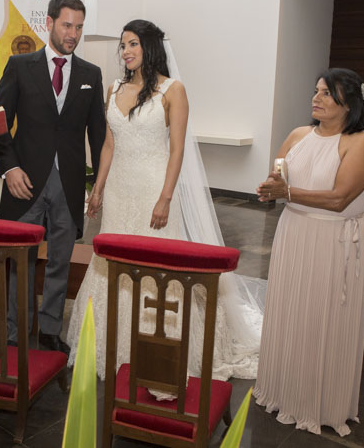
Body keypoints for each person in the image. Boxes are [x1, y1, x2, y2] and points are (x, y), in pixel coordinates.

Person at [65, 19, 263, 384]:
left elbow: (177, 150)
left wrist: (166, 198)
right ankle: (114, 345)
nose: (126, 51)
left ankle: (159, 348)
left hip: (154, 188)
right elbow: (108, 144)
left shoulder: (173, 90)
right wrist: (99, 189)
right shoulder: (113, 88)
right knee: (113, 263)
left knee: (155, 267)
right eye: (123, 44)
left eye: (133, 44)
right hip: (120, 190)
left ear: (150, 47)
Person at [253, 68, 364, 436]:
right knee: (290, 307)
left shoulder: (360, 143)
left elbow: (340, 199)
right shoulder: (298, 135)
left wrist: (286, 193)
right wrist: (271, 187)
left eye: (326, 93)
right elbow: (279, 175)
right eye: (316, 91)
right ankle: (282, 389)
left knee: (323, 314)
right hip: (294, 232)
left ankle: (319, 400)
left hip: (333, 240)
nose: (316, 98)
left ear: (348, 103)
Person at [0, 0, 106, 354]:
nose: (73, 34)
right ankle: (15, 331)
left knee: (60, 260)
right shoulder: (19, 66)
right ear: (50, 23)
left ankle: (50, 330)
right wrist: (10, 168)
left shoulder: (90, 74)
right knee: (19, 261)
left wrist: (98, 185)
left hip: (69, 184)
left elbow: (98, 134)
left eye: (79, 27)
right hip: (24, 182)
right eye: (67, 25)